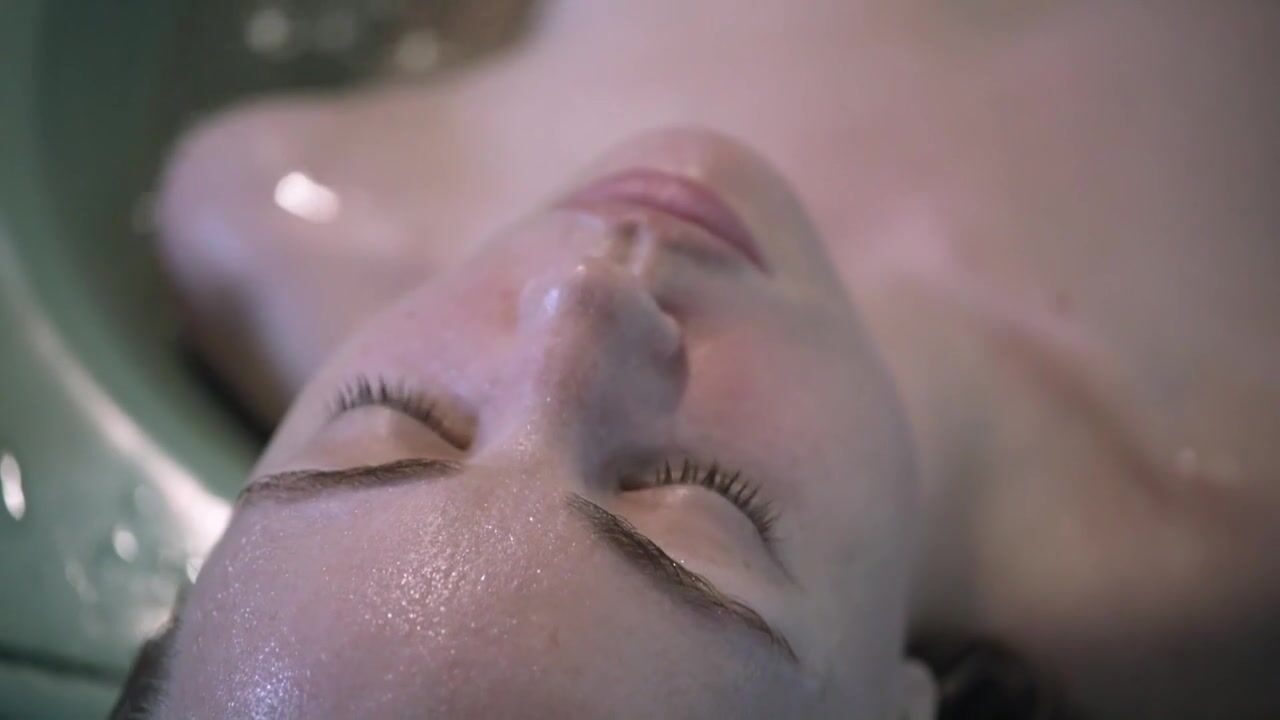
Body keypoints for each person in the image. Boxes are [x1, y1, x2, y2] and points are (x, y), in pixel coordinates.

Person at [128, 1, 1280, 717]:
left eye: (398, 419)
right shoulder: (1226, 505)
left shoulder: (274, 216)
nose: (581, 301)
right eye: (691, 499)